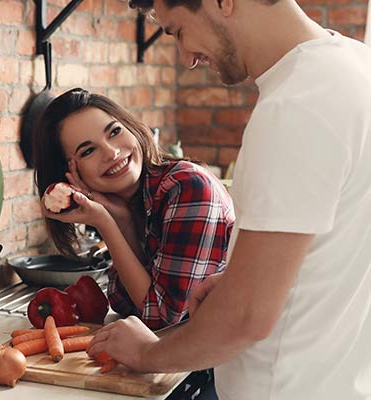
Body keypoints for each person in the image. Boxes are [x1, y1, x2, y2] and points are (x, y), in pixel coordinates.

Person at [86, 0, 371, 399]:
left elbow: (245, 319)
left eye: (179, 31)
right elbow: (342, 244)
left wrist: (148, 351)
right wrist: (241, 280)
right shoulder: (355, 66)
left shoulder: (297, 105)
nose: (185, 58)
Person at [34, 88, 235, 330]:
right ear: (70, 175)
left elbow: (160, 317)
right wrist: (123, 221)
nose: (111, 152)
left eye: (115, 132)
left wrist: (106, 222)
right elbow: (124, 301)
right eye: (88, 151)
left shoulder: (188, 188)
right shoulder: (134, 203)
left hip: (232, 361)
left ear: (131, 126)